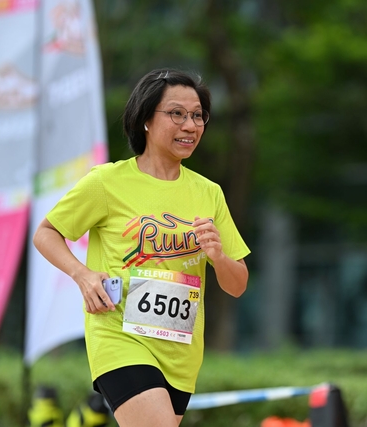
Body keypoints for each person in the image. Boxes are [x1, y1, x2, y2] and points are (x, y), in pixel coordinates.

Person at [32, 68, 251, 427]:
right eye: (177, 113)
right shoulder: (107, 182)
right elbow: (46, 233)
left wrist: (219, 256)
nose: (190, 125)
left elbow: (237, 284)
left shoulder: (209, 193)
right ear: (146, 119)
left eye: (198, 116)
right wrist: (82, 275)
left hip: (180, 351)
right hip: (119, 337)